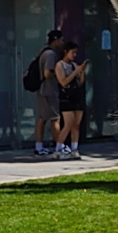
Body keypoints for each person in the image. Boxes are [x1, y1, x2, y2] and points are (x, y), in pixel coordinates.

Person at [53, 42, 88, 159]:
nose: (74, 55)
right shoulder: (60, 65)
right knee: (68, 124)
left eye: (76, 52)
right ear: (65, 52)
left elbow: (80, 82)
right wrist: (75, 72)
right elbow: (63, 82)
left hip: (76, 97)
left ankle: (74, 148)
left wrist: (81, 72)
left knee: (76, 125)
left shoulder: (74, 65)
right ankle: (58, 149)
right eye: (72, 52)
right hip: (66, 98)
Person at [34, 27, 63, 157]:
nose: (62, 43)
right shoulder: (51, 54)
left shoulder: (43, 52)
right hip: (49, 90)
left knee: (42, 118)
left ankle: (39, 146)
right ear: (55, 40)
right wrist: (58, 73)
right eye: (61, 40)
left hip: (42, 91)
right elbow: (47, 73)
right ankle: (59, 146)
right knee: (55, 118)